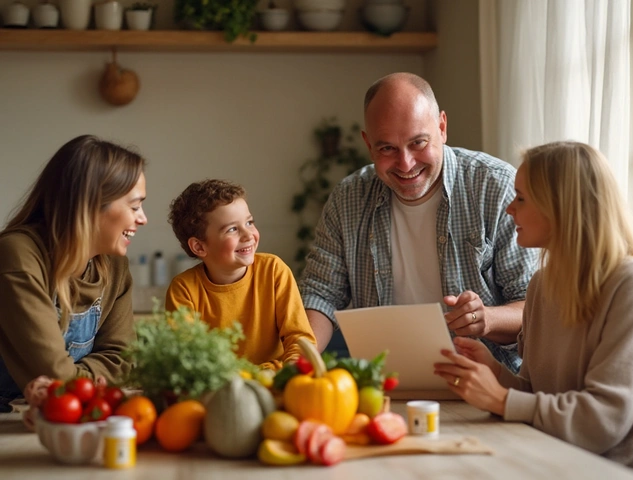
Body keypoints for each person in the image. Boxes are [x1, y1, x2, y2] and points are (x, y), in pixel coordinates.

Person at [299, 72, 538, 372]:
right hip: (386, 384)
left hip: (486, 386)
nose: (406, 163)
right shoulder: (347, 198)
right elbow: (321, 294)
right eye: (387, 148)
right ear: (368, 144)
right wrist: (299, 359)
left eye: (418, 143)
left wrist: (485, 319)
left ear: (442, 127)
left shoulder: (496, 187)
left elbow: (534, 307)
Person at [434, 141, 633, 469]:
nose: (509, 209)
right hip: (550, 458)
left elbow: (603, 420)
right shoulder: (542, 286)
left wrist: (500, 398)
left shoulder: (631, 285)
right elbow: (534, 393)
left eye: (521, 198)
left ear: (560, 206)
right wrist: (495, 372)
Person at [0, 135, 148, 413]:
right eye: (135, 206)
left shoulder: (116, 268)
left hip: (61, 413)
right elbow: (57, 373)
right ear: (91, 205)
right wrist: (74, 382)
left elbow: (122, 361)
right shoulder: (17, 255)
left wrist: (70, 384)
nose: (142, 218)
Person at [165, 179, 316, 369]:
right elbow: (188, 359)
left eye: (249, 222)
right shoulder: (184, 289)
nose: (248, 235)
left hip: (277, 382)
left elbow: (300, 339)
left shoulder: (274, 270)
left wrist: (285, 374)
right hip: (219, 388)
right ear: (199, 246)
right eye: (232, 229)